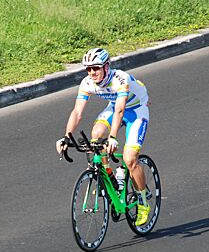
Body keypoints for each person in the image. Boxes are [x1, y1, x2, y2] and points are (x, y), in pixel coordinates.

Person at [56, 48, 151, 226]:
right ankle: (107, 176)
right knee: (96, 134)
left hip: (136, 110)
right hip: (114, 106)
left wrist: (113, 137)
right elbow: (77, 112)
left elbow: (120, 110)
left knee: (130, 159)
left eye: (96, 68)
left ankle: (143, 201)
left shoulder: (119, 79)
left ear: (106, 67)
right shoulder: (87, 83)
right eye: (88, 69)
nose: (92, 73)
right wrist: (66, 137)